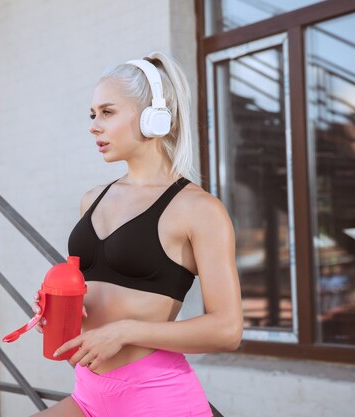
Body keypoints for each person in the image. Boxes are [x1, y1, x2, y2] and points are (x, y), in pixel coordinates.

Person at [31, 51, 243, 417]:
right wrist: (58, 310)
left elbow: (227, 330)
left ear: (154, 118)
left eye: (107, 112)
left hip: (157, 400)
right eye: (92, 115)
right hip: (90, 394)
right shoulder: (91, 200)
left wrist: (125, 331)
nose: (94, 126)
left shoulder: (199, 209)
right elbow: (95, 297)